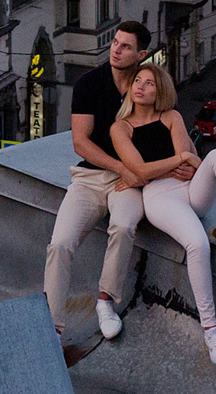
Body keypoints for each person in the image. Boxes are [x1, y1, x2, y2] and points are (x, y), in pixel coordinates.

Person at [108, 60, 216, 367]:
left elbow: (194, 160)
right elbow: (141, 171)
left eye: (149, 83)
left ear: (160, 91)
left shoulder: (171, 116)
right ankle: (211, 331)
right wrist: (180, 159)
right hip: (158, 197)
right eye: (137, 81)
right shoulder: (121, 127)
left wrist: (187, 161)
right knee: (198, 244)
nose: (141, 87)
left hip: (190, 188)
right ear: (130, 88)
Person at [42, 19, 153, 350]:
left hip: (132, 182)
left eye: (125, 46)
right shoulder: (89, 83)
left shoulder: (148, 86)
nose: (116, 50)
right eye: (115, 43)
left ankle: (105, 301)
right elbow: (81, 143)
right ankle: (53, 328)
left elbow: (164, 129)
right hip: (91, 178)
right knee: (60, 244)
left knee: (123, 227)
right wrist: (122, 167)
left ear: (141, 54)